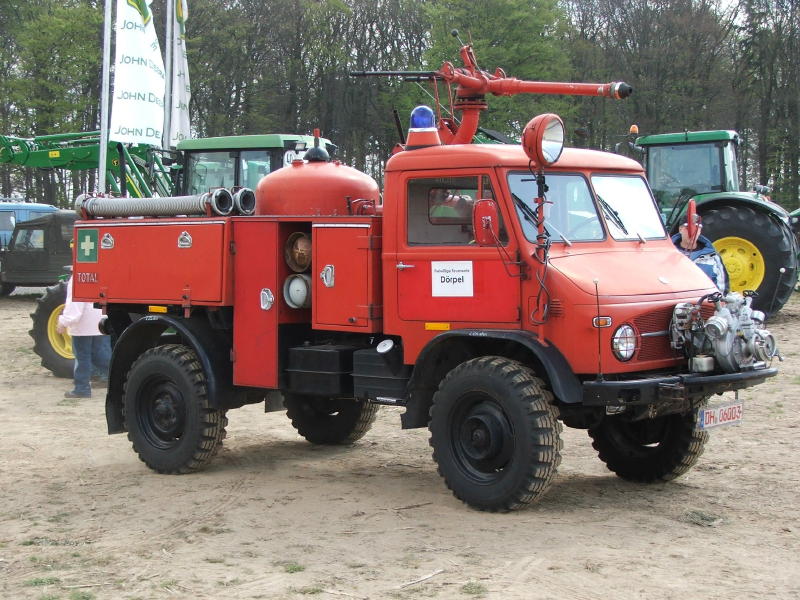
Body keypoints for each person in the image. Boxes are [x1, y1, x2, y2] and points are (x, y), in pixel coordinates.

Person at [56, 275, 111, 398]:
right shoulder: (99, 274)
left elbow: (75, 305)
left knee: (82, 358)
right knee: (100, 356)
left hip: (83, 325)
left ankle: (82, 388)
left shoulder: (77, 278)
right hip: (100, 320)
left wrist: (64, 321)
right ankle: (121, 377)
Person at [671, 218, 728, 293]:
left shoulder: (712, 256)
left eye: (696, 228)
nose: (692, 232)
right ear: (680, 229)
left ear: (700, 231)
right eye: (688, 228)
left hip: (704, 302)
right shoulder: (667, 254)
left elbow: (722, 288)